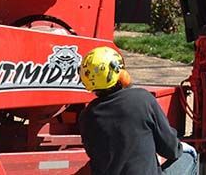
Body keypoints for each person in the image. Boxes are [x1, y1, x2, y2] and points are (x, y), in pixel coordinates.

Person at [78, 46, 198, 175]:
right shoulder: (142, 99)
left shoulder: (86, 116)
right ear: (119, 73)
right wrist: (179, 146)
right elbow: (171, 150)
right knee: (190, 155)